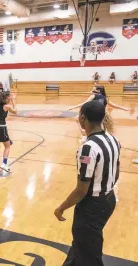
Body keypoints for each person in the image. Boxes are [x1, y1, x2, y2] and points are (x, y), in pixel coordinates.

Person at [55, 100, 120, 266]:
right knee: (81, 244)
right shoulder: (113, 139)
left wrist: (61, 208)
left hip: (92, 206)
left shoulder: (88, 148)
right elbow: (116, 172)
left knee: (90, 254)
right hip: (109, 199)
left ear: (82, 118)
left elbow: (81, 190)